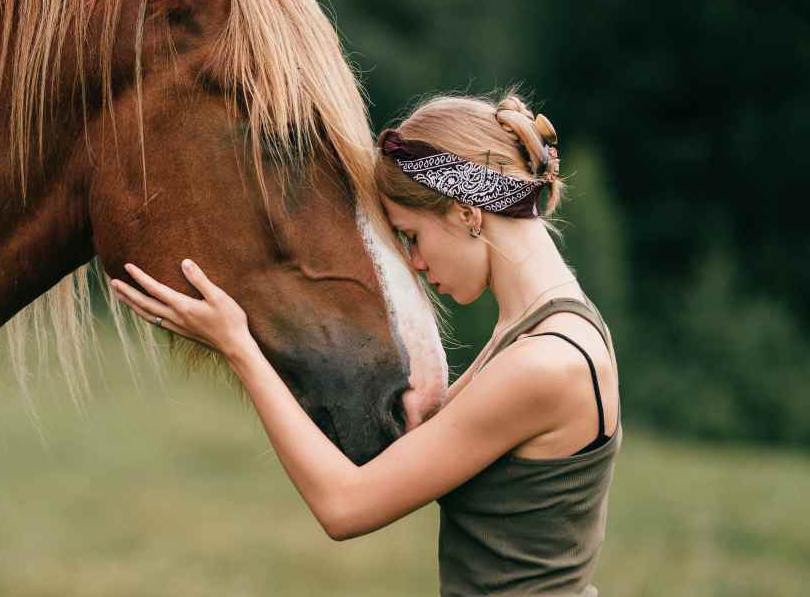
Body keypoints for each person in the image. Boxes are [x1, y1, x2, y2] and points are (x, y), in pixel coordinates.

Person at [110, 92, 621, 596]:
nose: (416, 263)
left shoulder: (543, 365)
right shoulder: (551, 329)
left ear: (468, 213)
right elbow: (420, 444)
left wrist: (239, 345)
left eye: (411, 236)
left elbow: (344, 506)